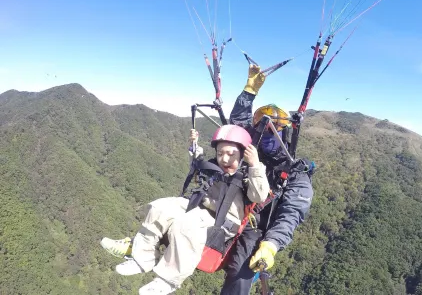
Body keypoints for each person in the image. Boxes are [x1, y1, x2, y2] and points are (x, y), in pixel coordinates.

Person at [101, 124, 270, 295]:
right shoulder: (216, 167)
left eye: (231, 154)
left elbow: (259, 196)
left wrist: (254, 165)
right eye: (220, 153)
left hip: (224, 221)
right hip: (201, 207)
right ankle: (143, 257)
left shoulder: (248, 176)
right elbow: (198, 165)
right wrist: (194, 146)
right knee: (159, 207)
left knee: (186, 224)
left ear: (243, 155)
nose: (224, 159)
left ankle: (168, 280)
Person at [220, 76, 315, 295]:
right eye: (264, 129)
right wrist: (249, 91)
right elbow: (237, 123)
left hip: (257, 228)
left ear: (285, 133)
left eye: (275, 130)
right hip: (230, 212)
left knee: (240, 272)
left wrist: (270, 245)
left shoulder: (295, 173)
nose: (267, 135)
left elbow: (291, 213)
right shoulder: (252, 149)